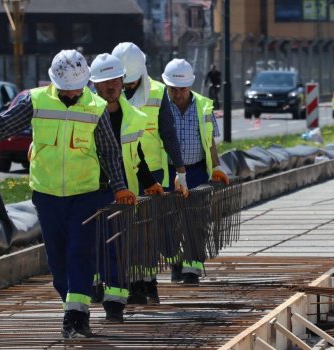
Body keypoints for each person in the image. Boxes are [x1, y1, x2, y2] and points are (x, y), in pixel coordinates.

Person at [0, 49, 137, 338]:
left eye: (76, 89)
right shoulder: (35, 100)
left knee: (79, 252)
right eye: (66, 89)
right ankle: (70, 305)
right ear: (55, 83)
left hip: (86, 194)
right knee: (58, 260)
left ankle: (77, 315)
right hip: (46, 195)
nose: (72, 94)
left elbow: (109, 152)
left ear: (84, 83)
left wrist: (120, 187)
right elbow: (1, 124)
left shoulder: (96, 107)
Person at [89, 53, 165, 322]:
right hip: (91, 190)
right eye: (104, 82)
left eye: (115, 80)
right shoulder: (84, 113)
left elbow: (138, 154)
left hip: (126, 192)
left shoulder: (133, 115)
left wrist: (150, 183)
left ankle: (116, 303)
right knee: (96, 245)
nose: (111, 86)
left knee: (122, 247)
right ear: (94, 85)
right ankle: (96, 288)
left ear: (123, 81)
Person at [111, 42, 188, 304]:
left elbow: (168, 133)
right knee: (123, 232)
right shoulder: (105, 89)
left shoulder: (157, 92)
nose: (127, 87)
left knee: (146, 234)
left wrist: (180, 171)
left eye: (131, 82)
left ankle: (147, 284)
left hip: (151, 174)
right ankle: (130, 283)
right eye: (124, 82)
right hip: (118, 172)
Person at [162, 58, 229, 285]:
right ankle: (175, 261)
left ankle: (192, 269)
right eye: (173, 89)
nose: (178, 94)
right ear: (167, 86)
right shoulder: (160, 107)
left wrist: (217, 166)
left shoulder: (203, 105)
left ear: (190, 86)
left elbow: (209, 140)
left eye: (182, 89)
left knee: (196, 220)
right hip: (169, 171)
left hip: (198, 171)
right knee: (170, 221)